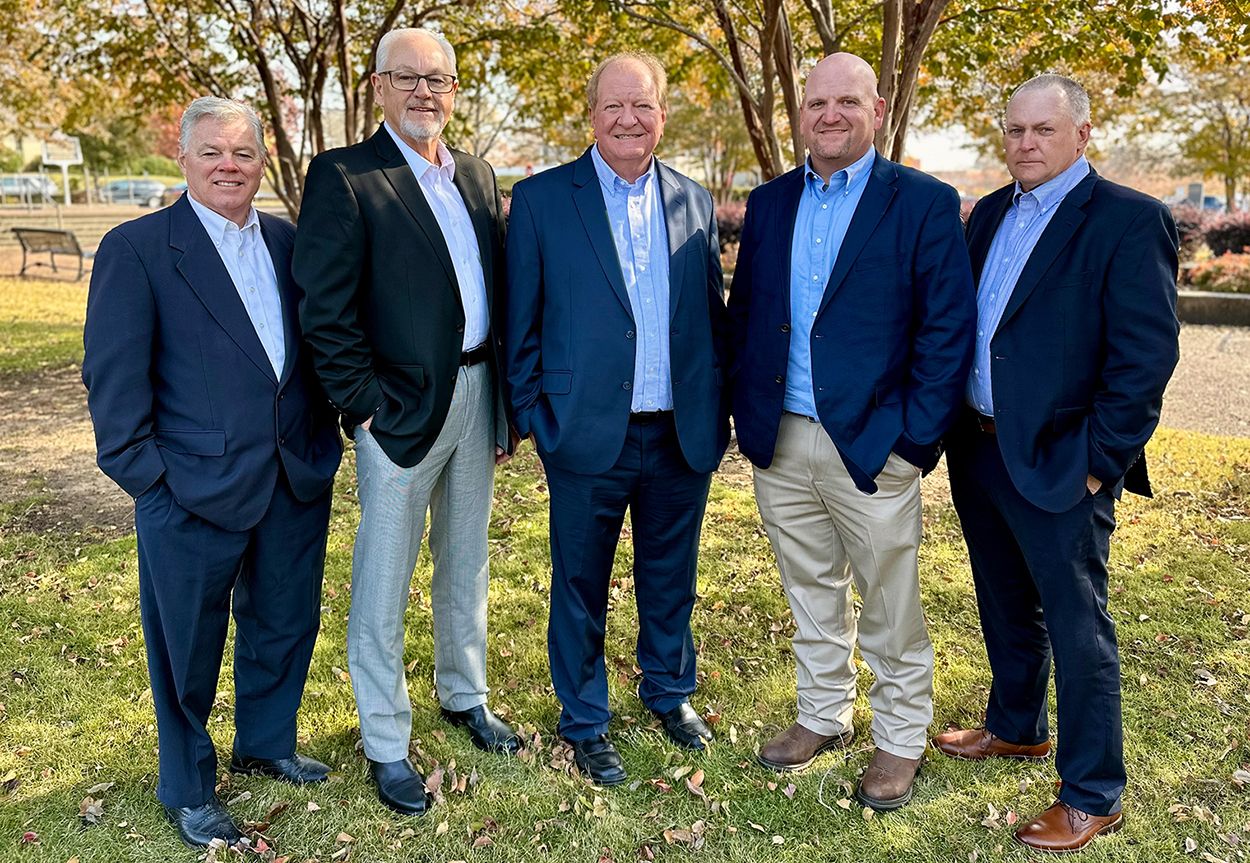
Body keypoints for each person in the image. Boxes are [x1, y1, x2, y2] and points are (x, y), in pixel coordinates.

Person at [82, 97, 342, 848]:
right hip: (188, 489)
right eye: (213, 152)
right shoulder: (138, 248)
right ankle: (189, 785)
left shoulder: (291, 242)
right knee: (186, 644)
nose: (229, 165)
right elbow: (113, 375)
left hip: (293, 475)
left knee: (286, 621)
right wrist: (146, 478)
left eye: (244, 153)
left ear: (263, 161)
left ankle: (266, 741)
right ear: (184, 160)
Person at [932, 74, 1179, 852]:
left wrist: (1100, 463)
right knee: (1005, 601)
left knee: (1078, 626)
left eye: (1042, 130)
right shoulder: (991, 213)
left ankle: (1092, 790)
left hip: (1064, 460)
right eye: (1013, 131)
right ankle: (1016, 726)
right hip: (978, 446)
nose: (1025, 144)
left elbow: (1144, 360)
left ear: (1082, 131)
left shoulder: (1130, 221)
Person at [727, 52, 975, 811]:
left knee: (889, 598)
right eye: (816, 103)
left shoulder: (923, 202)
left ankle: (901, 735)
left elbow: (946, 328)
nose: (830, 115)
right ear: (799, 112)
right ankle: (821, 712)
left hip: (874, 443)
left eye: (847, 102)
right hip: (783, 437)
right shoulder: (770, 203)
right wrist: (748, 416)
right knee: (808, 586)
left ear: (878, 107)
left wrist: (913, 442)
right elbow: (747, 315)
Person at [294, 27, 517, 817]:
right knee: (383, 579)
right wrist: (363, 405)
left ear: (455, 91)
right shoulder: (347, 175)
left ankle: (465, 694)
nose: (426, 91)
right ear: (379, 86)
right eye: (408, 77)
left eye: (440, 79)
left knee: (468, 559)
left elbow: (499, 289)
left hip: (479, 390)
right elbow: (324, 308)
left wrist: (506, 403)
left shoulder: (480, 176)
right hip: (396, 410)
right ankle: (386, 739)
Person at [502, 51, 729, 786]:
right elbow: (521, 321)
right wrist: (534, 416)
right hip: (583, 429)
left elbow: (710, 317)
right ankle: (586, 719)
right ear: (591, 114)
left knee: (672, 576)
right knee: (580, 583)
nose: (629, 119)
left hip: (678, 429)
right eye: (614, 106)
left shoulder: (693, 199)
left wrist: (716, 407)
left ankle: (669, 691)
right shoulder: (540, 200)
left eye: (644, 106)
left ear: (662, 113)